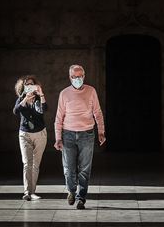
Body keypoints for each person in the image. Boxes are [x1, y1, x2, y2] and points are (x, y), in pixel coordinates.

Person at [54, 64, 105, 210]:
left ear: (84, 76)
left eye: (80, 76)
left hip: (87, 134)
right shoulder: (64, 93)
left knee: (84, 168)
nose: (78, 79)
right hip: (68, 134)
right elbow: (59, 117)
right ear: (70, 77)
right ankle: (71, 191)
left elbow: (98, 112)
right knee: (69, 168)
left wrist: (101, 131)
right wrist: (58, 138)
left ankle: (81, 197)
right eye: (74, 76)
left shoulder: (91, 91)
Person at [13, 75, 48, 201]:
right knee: (27, 163)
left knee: (35, 165)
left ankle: (33, 192)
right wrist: (25, 99)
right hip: (25, 134)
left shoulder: (39, 98)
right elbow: (16, 111)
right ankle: (27, 192)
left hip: (40, 134)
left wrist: (42, 94)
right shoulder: (21, 99)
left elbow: (44, 109)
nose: (29, 86)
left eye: (32, 84)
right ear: (23, 87)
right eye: (27, 84)